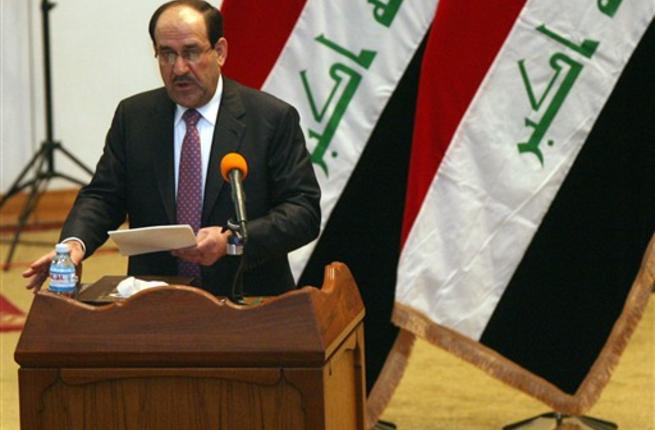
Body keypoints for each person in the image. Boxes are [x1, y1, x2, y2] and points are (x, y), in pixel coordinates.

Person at [23, 0, 321, 297]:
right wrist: (74, 245)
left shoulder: (270, 119)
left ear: (219, 52)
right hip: (154, 300)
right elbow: (103, 196)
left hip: (248, 299)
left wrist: (234, 240)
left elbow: (303, 212)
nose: (178, 68)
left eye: (191, 52)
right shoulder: (134, 117)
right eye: (166, 54)